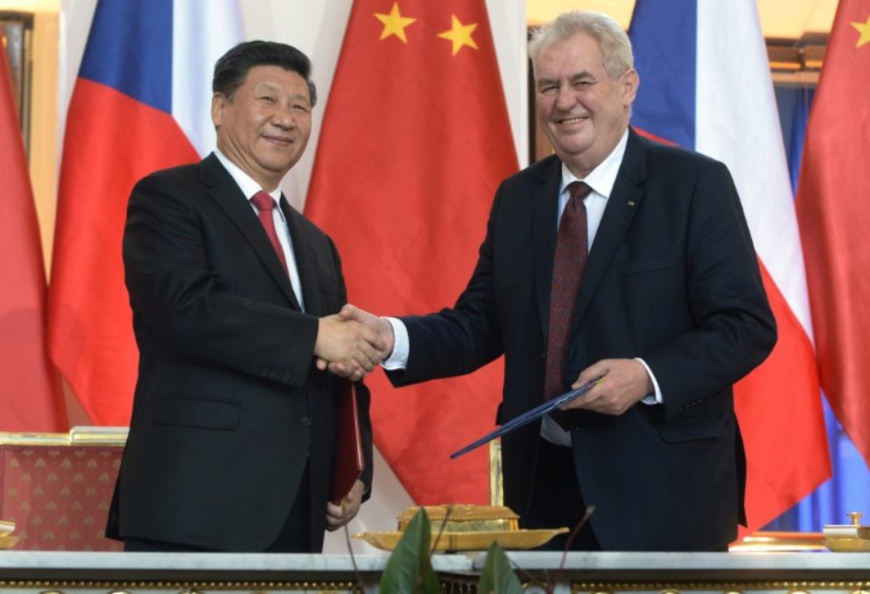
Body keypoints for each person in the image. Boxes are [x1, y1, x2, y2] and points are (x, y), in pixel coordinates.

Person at [336, 11, 776, 551]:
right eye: (549, 86)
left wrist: (644, 375)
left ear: (627, 87)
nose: (564, 101)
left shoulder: (693, 184)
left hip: (665, 493)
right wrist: (389, 337)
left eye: (582, 82)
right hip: (541, 494)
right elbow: (480, 324)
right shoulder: (519, 199)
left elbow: (746, 326)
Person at [105, 41, 387, 553]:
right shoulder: (168, 198)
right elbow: (184, 309)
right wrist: (314, 335)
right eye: (268, 100)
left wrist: (354, 468)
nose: (285, 118)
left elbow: (342, 368)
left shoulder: (317, 244)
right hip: (195, 504)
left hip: (298, 509)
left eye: (300, 106)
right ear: (219, 108)